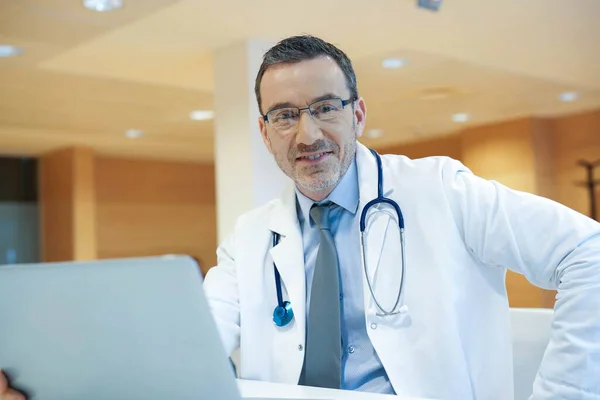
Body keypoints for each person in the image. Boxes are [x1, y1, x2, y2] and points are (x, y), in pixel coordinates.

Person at [1, 35, 599, 400]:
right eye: (285, 115)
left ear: (359, 113)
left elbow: (588, 252)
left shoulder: (442, 190)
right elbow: (192, 340)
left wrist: (563, 396)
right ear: (264, 132)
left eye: (325, 108)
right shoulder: (252, 235)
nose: (307, 134)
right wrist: (64, 381)